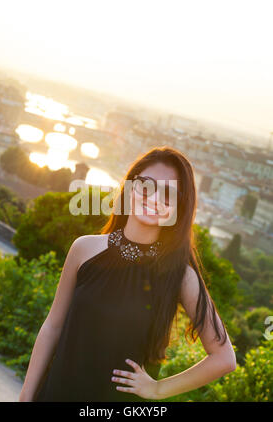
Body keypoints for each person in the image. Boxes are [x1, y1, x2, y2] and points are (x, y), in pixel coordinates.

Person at [19, 146, 236, 402]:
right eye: (146, 185)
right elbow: (52, 327)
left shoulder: (180, 276)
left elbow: (224, 358)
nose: (154, 198)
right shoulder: (84, 249)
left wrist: (158, 389)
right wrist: (26, 396)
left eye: (168, 194)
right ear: (130, 186)